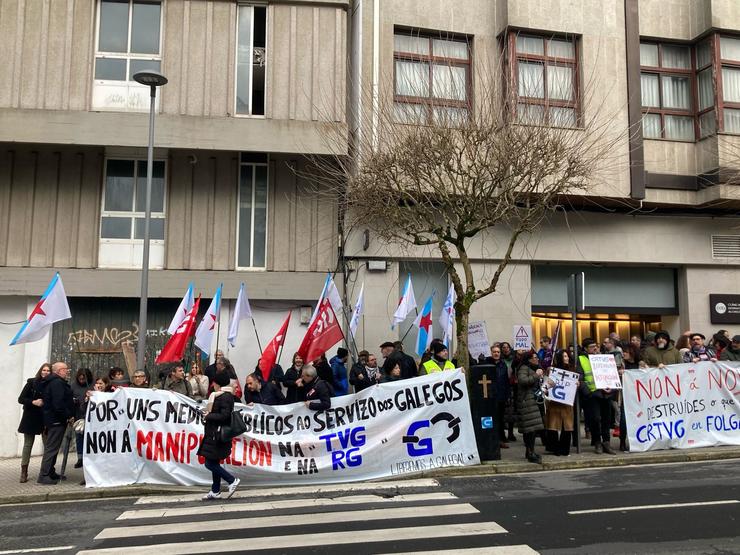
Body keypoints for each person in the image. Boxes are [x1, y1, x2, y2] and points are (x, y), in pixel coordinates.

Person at [198, 371, 240, 500]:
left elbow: (224, 416)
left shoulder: (225, 397)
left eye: (213, 382)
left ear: (216, 383)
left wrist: (209, 415)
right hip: (213, 433)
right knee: (213, 461)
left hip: (217, 434)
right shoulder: (218, 395)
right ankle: (215, 490)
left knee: (209, 464)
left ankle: (232, 480)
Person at [37, 362, 75, 485]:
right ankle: (44, 475)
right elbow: (58, 404)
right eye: (65, 369)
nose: (67, 371)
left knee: (53, 448)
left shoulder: (54, 382)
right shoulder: (57, 383)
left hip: (54, 419)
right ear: (58, 371)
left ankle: (50, 472)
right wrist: (68, 416)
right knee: (51, 448)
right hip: (56, 420)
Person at [579, 339, 617, 455]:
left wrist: (612, 387)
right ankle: (597, 442)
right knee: (595, 419)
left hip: (606, 394)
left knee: (606, 419)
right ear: (585, 348)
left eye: (596, 346)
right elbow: (580, 378)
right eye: (591, 347)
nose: (595, 348)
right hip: (592, 394)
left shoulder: (604, 357)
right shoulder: (581, 359)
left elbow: (612, 374)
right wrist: (588, 393)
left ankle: (606, 442)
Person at [17, 362, 51, 483]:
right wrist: (33, 402)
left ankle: (46, 471)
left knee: (48, 445)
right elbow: (21, 399)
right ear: (40, 371)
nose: (46, 372)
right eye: (44, 370)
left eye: (48, 371)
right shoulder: (31, 382)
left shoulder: (51, 384)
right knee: (28, 445)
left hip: (45, 418)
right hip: (30, 417)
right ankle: (24, 472)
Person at [544, 350, 576, 456]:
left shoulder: (572, 370)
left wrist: (577, 384)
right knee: (553, 426)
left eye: (567, 356)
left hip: (567, 403)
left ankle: (564, 449)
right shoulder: (552, 370)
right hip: (555, 403)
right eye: (564, 356)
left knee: (567, 426)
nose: (566, 358)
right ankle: (554, 448)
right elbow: (546, 384)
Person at [517, 351, 544, 463]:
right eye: (534, 357)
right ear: (529, 359)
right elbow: (523, 381)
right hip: (527, 402)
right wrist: (536, 375)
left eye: (537, 357)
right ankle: (530, 452)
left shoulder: (535, 368)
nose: (537, 359)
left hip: (534, 401)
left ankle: (530, 451)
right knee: (530, 430)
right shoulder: (524, 368)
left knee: (532, 429)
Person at [485, 346, 511, 448]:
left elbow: (505, 381)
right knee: (490, 419)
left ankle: (500, 438)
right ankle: (491, 438)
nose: (496, 354)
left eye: (498, 352)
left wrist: (507, 395)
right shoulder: (486, 363)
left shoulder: (502, 364)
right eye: (494, 352)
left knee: (500, 419)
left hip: (500, 396)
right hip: (490, 396)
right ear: (491, 352)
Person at [70, 368, 93, 469]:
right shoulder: (73, 385)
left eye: (84, 378)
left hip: (91, 416)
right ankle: (80, 458)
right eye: (80, 378)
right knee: (79, 437)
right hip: (78, 415)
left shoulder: (93, 385)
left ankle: (89, 458)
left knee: (89, 438)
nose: (82, 380)